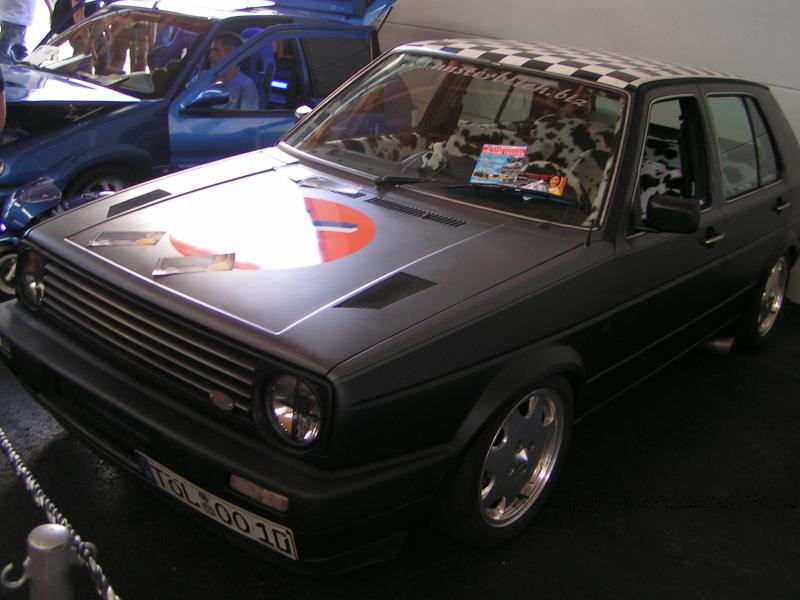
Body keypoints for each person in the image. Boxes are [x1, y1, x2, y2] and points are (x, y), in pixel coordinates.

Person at [203, 32, 258, 111]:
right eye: (211, 51)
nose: (210, 56)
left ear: (231, 55)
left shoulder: (246, 86)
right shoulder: (201, 79)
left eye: (215, 51)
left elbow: (248, 118)